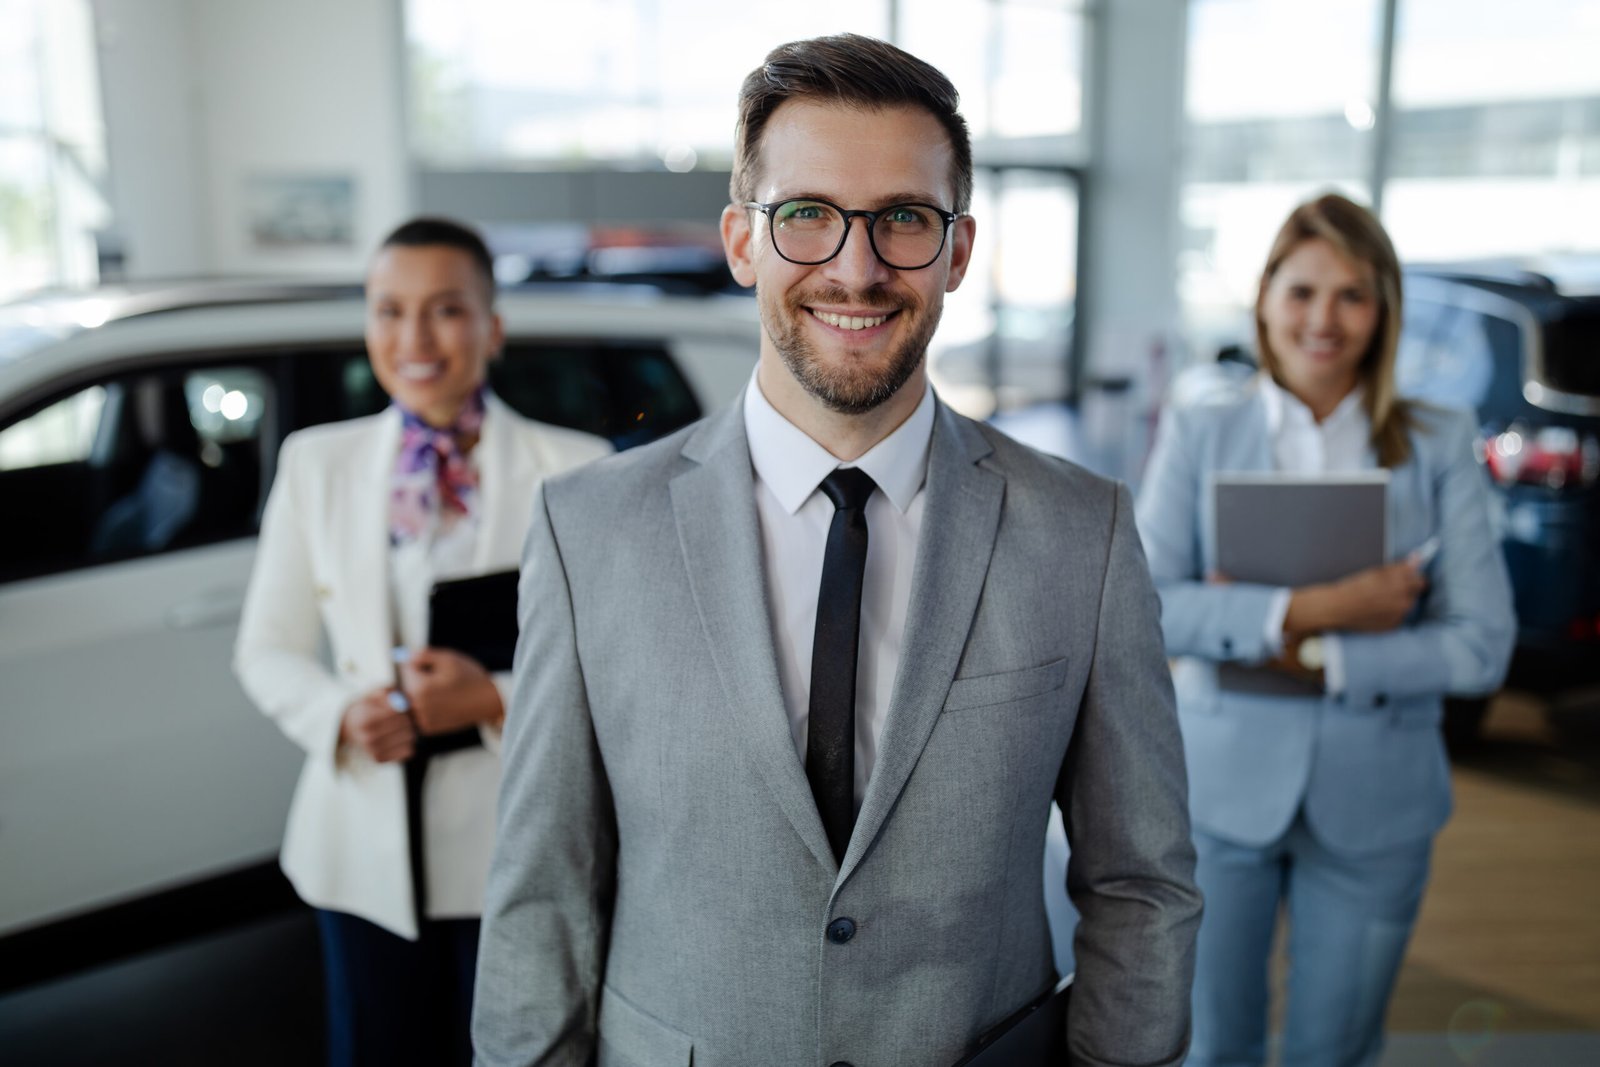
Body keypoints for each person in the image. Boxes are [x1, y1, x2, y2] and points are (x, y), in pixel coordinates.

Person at [473, 34, 1201, 1067]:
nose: (854, 269)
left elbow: (1141, 880)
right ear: (740, 241)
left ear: (956, 249)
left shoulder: (1080, 531)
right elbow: (543, 893)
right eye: (806, 215)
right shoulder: (588, 530)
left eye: (902, 218)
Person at [1135, 194, 1514, 1067]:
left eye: (1352, 294)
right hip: (1218, 796)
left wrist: (1327, 657)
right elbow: (1148, 606)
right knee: (1210, 1046)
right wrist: (1325, 609)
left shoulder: (1437, 439)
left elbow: (1483, 642)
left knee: (1334, 1051)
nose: (1324, 319)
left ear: (1383, 310)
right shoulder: (1202, 428)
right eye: (1302, 291)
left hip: (1377, 798)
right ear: (1266, 297)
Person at [233, 217, 611, 1067]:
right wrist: (337, 712)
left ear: (493, 325)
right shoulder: (315, 465)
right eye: (389, 310)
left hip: (518, 845)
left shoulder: (579, 469)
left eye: (445, 310)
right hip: (362, 840)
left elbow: (619, 676)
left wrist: (494, 699)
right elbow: (267, 647)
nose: (414, 338)